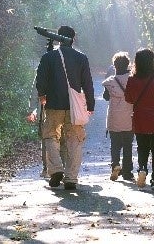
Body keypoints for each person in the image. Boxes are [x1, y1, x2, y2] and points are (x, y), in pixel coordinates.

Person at [35, 25, 94, 190]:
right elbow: (87, 83)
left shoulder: (49, 57)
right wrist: (90, 104)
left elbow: (41, 80)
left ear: (57, 37)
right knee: (75, 140)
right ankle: (71, 178)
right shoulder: (81, 58)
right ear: (73, 39)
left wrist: (42, 95)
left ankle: (56, 169)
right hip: (74, 106)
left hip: (53, 104)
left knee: (50, 136)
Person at [124, 48, 154, 190]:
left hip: (140, 119)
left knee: (142, 147)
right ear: (152, 62)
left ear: (136, 62)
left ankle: (142, 169)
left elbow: (128, 99)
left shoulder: (132, 80)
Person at [102, 52, 135, 182]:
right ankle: (127, 172)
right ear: (128, 64)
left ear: (114, 65)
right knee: (128, 145)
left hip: (114, 117)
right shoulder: (133, 80)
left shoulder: (110, 82)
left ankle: (115, 165)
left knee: (115, 144)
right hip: (129, 117)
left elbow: (106, 97)